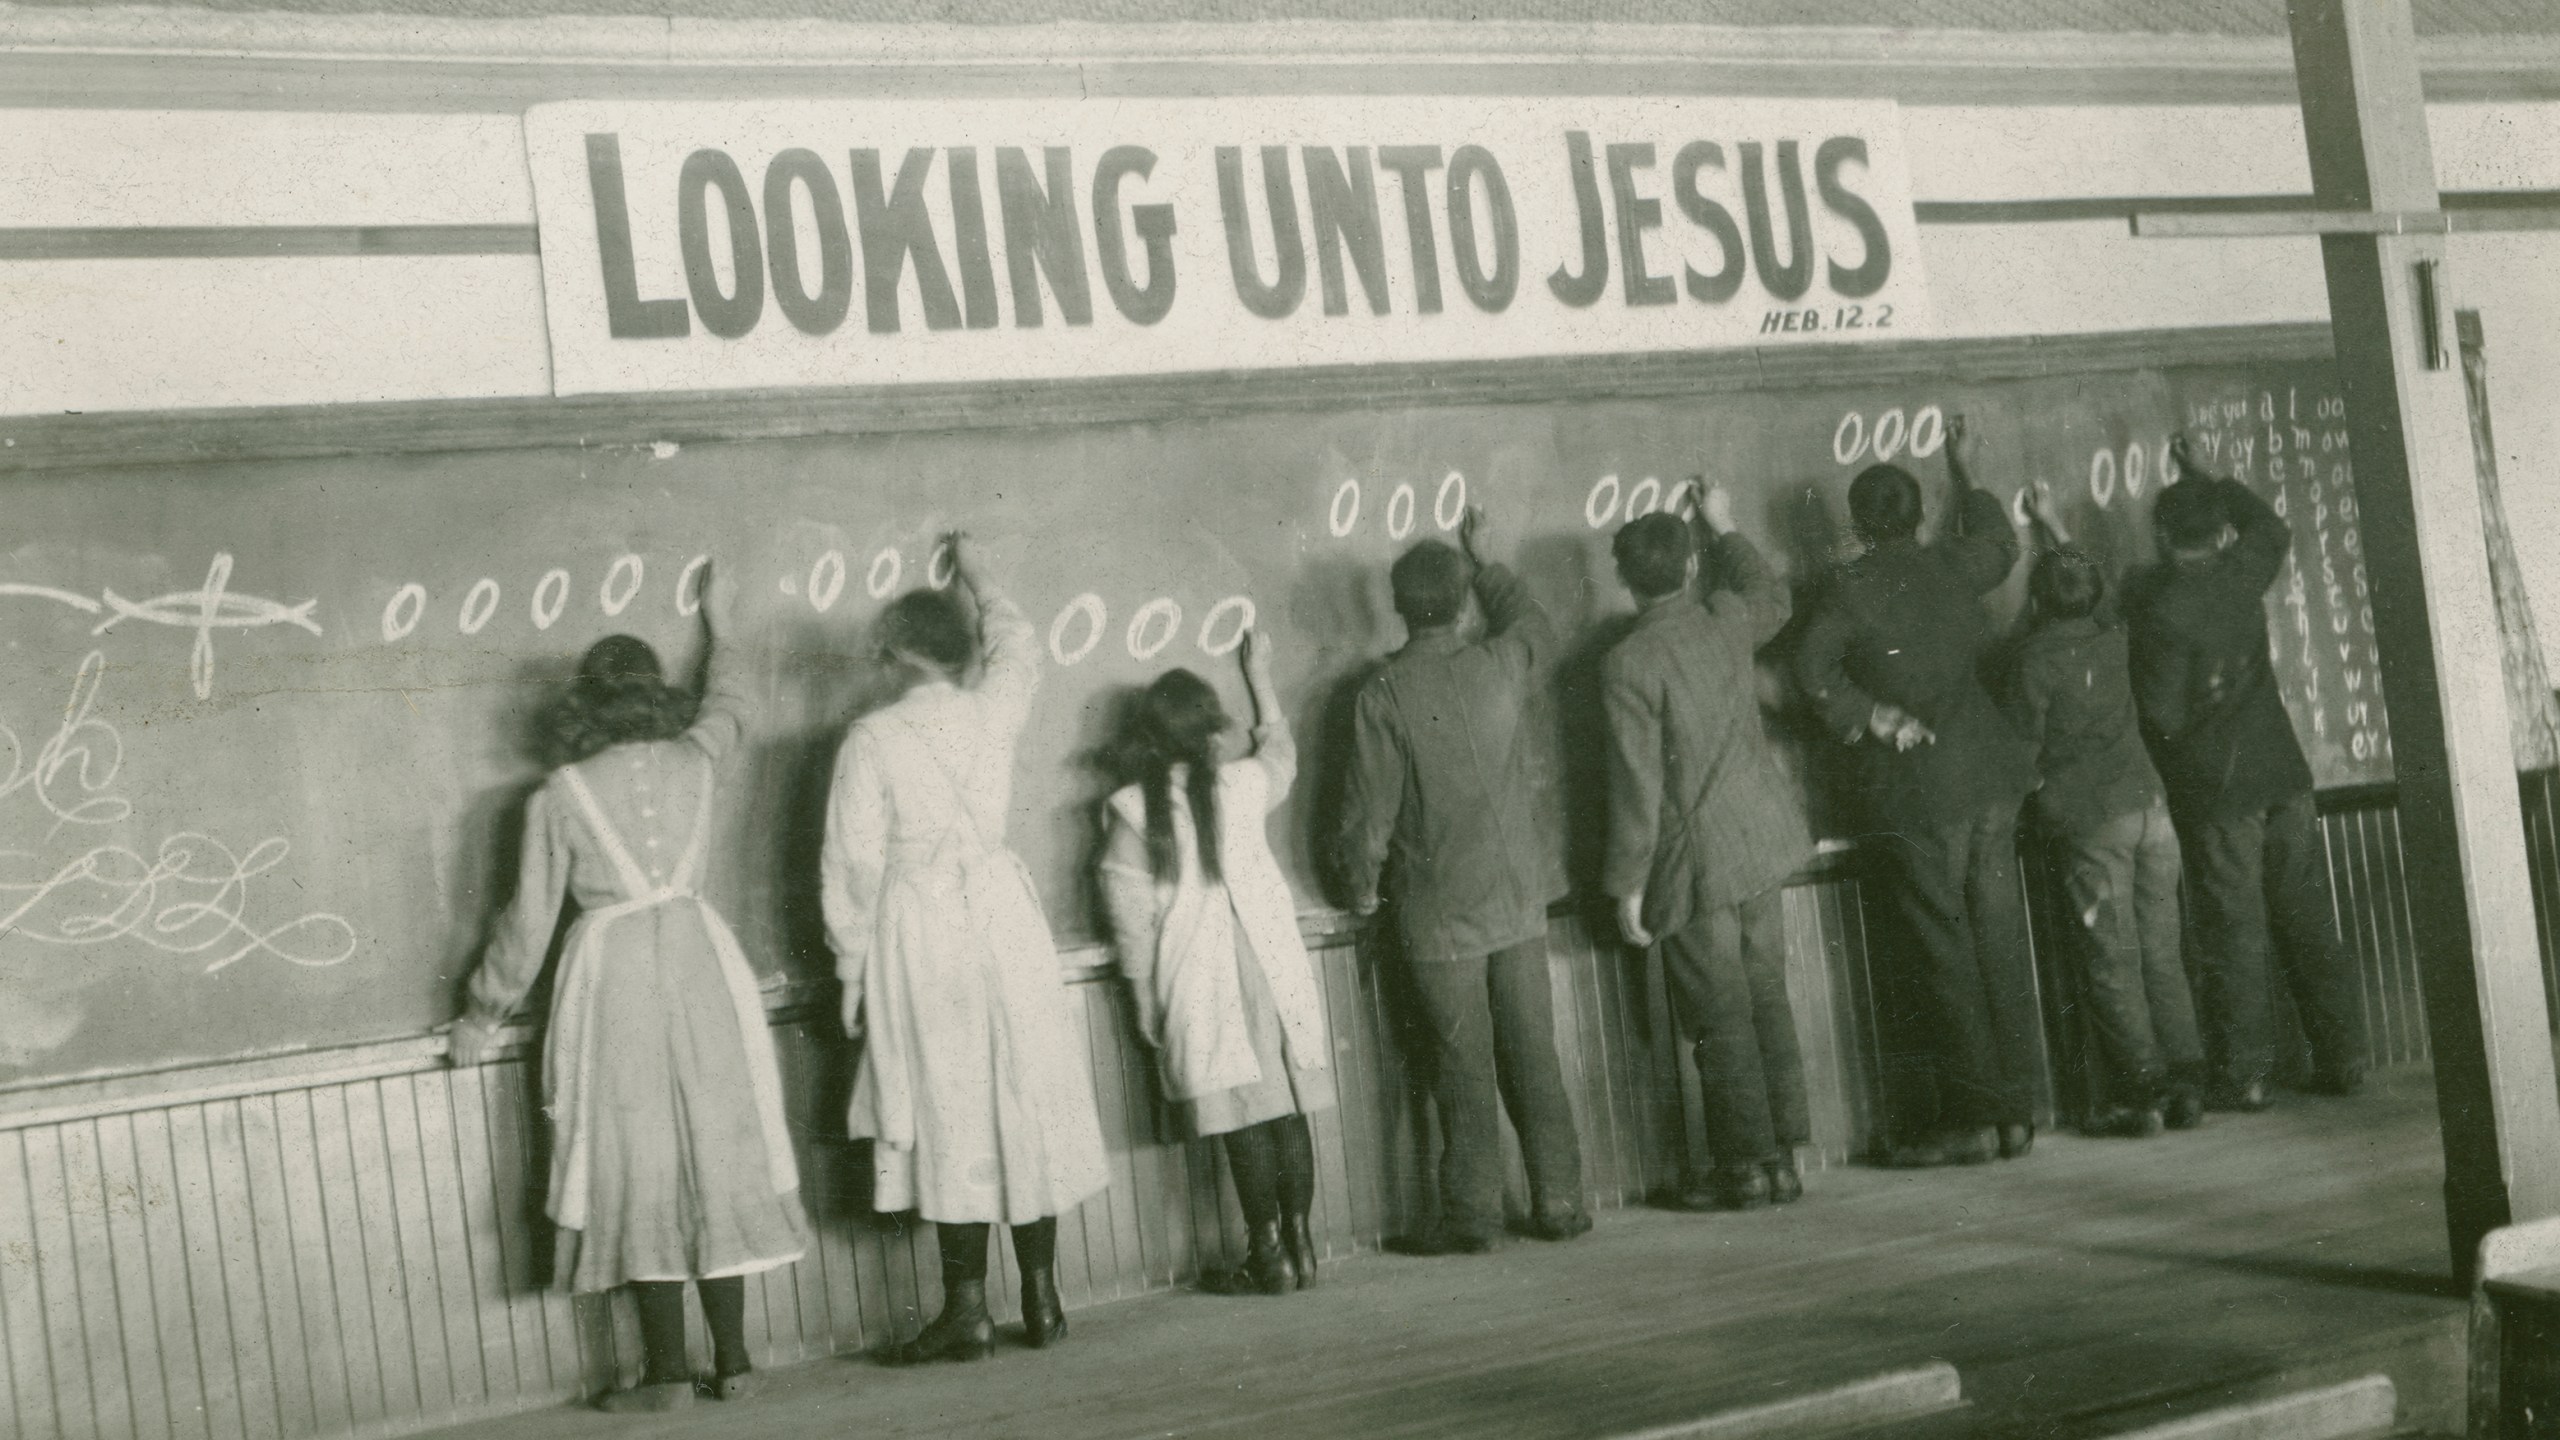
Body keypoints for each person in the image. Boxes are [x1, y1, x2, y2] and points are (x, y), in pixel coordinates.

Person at [449, 564, 808, 1413]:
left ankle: (664, 1377)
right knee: (718, 1151)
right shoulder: (698, 757)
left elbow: (527, 927)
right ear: (654, 695)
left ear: (585, 703)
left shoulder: (559, 796)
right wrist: (719, 626)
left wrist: (480, 1014)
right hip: (702, 962)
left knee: (635, 1162)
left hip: (609, 981)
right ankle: (735, 1361)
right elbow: (734, 704)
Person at [820, 534, 1111, 1364]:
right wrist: (979, 574)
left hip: (921, 929)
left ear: (892, 655)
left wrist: (849, 969)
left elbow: (851, 864)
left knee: (952, 1109)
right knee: (1020, 1096)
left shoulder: (871, 740)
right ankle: (1044, 1297)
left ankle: (967, 1311)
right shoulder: (994, 706)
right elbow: (1021, 641)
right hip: (1003, 916)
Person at [1793, 414, 2042, 1168]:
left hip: (1919, 791)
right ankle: (2018, 1111)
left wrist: (1870, 716)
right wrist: (1964, 469)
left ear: (1859, 526)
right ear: (1922, 513)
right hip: (1991, 779)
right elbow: (2003, 544)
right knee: (1996, 935)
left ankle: (1974, 1119)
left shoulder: (1848, 588)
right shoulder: (1952, 563)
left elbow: (1811, 672)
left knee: (1942, 949)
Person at [1338, 507, 1590, 1252]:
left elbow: (1368, 820)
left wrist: (1358, 890)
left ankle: (1472, 1217)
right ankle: (1561, 1201)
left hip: (1438, 913)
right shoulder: (1501, 662)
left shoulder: (1381, 696)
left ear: (1395, 604)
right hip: (1517, 899)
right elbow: (1538, 626)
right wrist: (1489, 564)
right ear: (1461, 602)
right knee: (1533, 1053)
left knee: (1462, 1065)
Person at [2124, 440, 2369, 1110]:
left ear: (2164, 534)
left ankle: (2248, 1075)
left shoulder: (2162, 609)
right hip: (2282, 770)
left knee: (2233, 927)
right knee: (2304, 912)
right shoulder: (2241, 571)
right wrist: (2209, 475)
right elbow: (2274, 527)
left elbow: (2164, 716)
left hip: (2220, 787)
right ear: (2216, 531)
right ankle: (2344, 1056)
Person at [1099, 631, 1335, 1294]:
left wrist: (1145, 1003)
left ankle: (1267, 1255)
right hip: (1269, 966)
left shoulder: (1131, 808)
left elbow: (1130, 923)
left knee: (1240, 1118)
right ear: (1210, 734)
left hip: (1202, 980)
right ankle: (1300, 1244)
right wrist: (1259, 675)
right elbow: (1282, 753)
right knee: (1285, 1109)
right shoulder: (1241, 782)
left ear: (1149, 738)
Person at [1604, 483, 1815, 1211]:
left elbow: (1637, 788)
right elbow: (1771, 595)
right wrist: (1725, 523)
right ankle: (1784, 1155)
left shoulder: (1628, 663)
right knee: (1765, 995)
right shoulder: (1726, 617)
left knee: (1719, 1014)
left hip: (1694, 859)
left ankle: (1745, 1167)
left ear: (1624, 580)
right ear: (1692, 568)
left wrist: (1627, 885)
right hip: (1761, 836)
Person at [2007, 511, 2207, 1137]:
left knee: (2111, 959)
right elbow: (2093, 588)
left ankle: (2142, 1094)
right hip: (2153, 809)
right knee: (2161, 953)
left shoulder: (2033, 659)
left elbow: (2020, 746)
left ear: (2038, 599)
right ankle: (2188, 1087)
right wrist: (2054, 525)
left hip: (2092, 821)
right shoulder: (2115, 633)